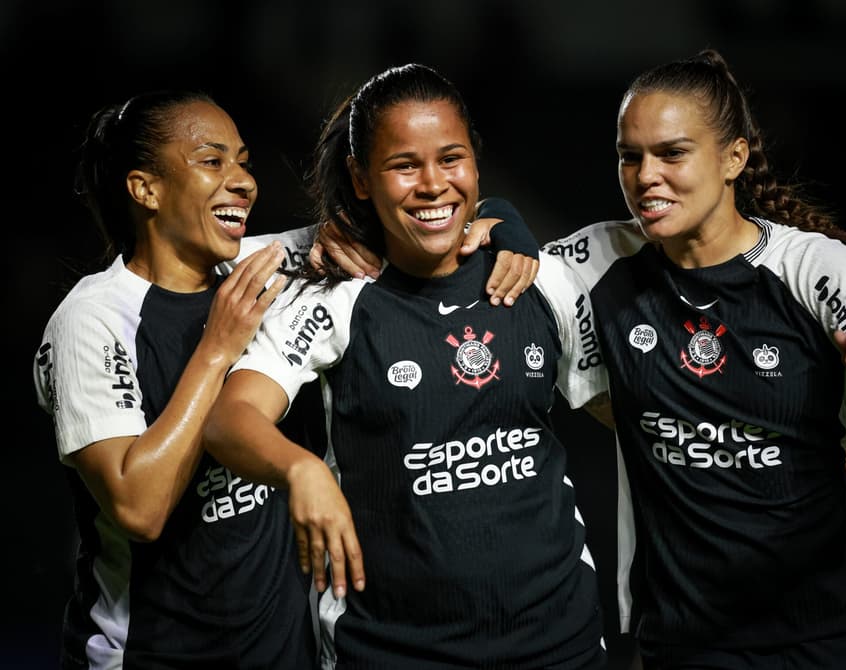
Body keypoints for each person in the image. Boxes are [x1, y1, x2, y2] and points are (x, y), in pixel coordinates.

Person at [33, 89, 541, 669]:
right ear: (145, 189)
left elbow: (427, 209)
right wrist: (216, 351)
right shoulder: (93, 318)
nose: (243, 182)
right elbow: (138, 509)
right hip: (151, 654)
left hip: (288, 655)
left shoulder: (273, 266)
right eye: (212, 161)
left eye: (244, 162)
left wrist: (507, 224)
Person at [203, 63, 611, 669]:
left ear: (475, 162)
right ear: (360, 179)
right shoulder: (336, 299)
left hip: (560, 645)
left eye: (451, 159)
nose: (433, 184)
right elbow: (229, 420)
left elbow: (628, 414)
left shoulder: (541, 279)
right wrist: (300, 471)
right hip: (391, 648)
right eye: (404, 166)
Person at [539, 49, 846, 669]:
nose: (645, 176)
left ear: (734, 158)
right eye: (630, 156)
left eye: (672, 153)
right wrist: (499, 224)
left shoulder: (810, 266)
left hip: (822, 634)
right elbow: (489, 255)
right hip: (679, 640)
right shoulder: (599, 261)